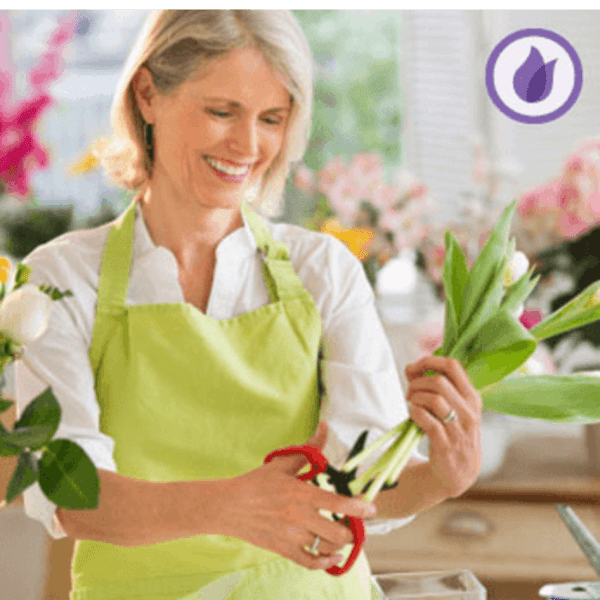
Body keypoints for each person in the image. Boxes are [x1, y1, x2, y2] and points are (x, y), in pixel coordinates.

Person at [15, 9, 483, 600]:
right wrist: (233, 504)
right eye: (222, 112)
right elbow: (70, 495)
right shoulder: (61, 280)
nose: (249, 144)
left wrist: (441, 478)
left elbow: (360, 483)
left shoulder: (323, 271)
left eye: (271, 119)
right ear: (148, 94)